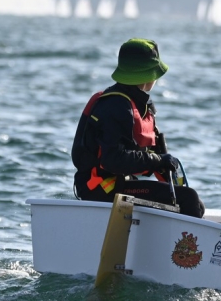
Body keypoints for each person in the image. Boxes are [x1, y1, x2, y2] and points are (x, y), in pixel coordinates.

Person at [72, 38, 205, 219]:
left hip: (120, 184)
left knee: (192, 200)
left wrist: (163, 164)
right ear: (148, 75)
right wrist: (157, 160)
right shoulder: (117, 106)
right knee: (188, 199)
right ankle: (189, 247)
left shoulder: (136, 103)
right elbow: (114, 160)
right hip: (102, 190)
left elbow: (143, 156)